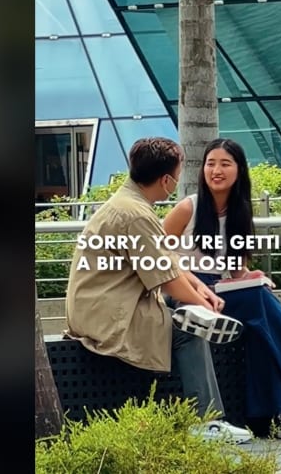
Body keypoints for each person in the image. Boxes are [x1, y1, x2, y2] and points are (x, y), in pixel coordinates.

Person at [163, 138, 281, 440]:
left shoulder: (240, 210)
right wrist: (196, 282)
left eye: (225, 164)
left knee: (260, 320)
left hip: (222, 292)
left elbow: (235, 267)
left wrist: (248, 276)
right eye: (210, 163)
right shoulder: (187, 208)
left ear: (239, 170)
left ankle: (278, 417)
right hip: (187, 294)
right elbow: (159, 256)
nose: (216, 170)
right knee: (260, 303)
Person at [65, 137, 251, 443]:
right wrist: (205, 307)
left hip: (103, 306)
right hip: (109, 316)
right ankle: (207, 422)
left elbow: (169, 263)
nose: (176, 183)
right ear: (166, 180)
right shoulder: (136, 215)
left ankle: (206, 418)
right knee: (190, 327)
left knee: (187, 311)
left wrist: (201, 291)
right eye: (176, 177)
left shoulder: (128, 204)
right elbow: (167, 280)